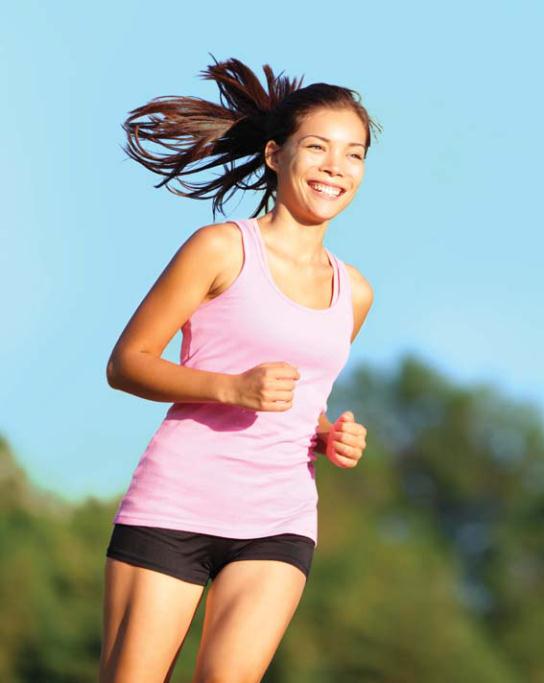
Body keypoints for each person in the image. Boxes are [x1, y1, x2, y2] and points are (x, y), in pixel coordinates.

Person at [100, 57, 379, 682]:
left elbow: (301, 401)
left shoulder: (355, 292)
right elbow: (126, 363)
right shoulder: (222, 249)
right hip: (176, 505)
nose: (336, 167)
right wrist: (230, 387)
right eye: (318, 148)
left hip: (279, 519)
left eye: (354, 154)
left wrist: (328, 434)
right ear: (276, 154)